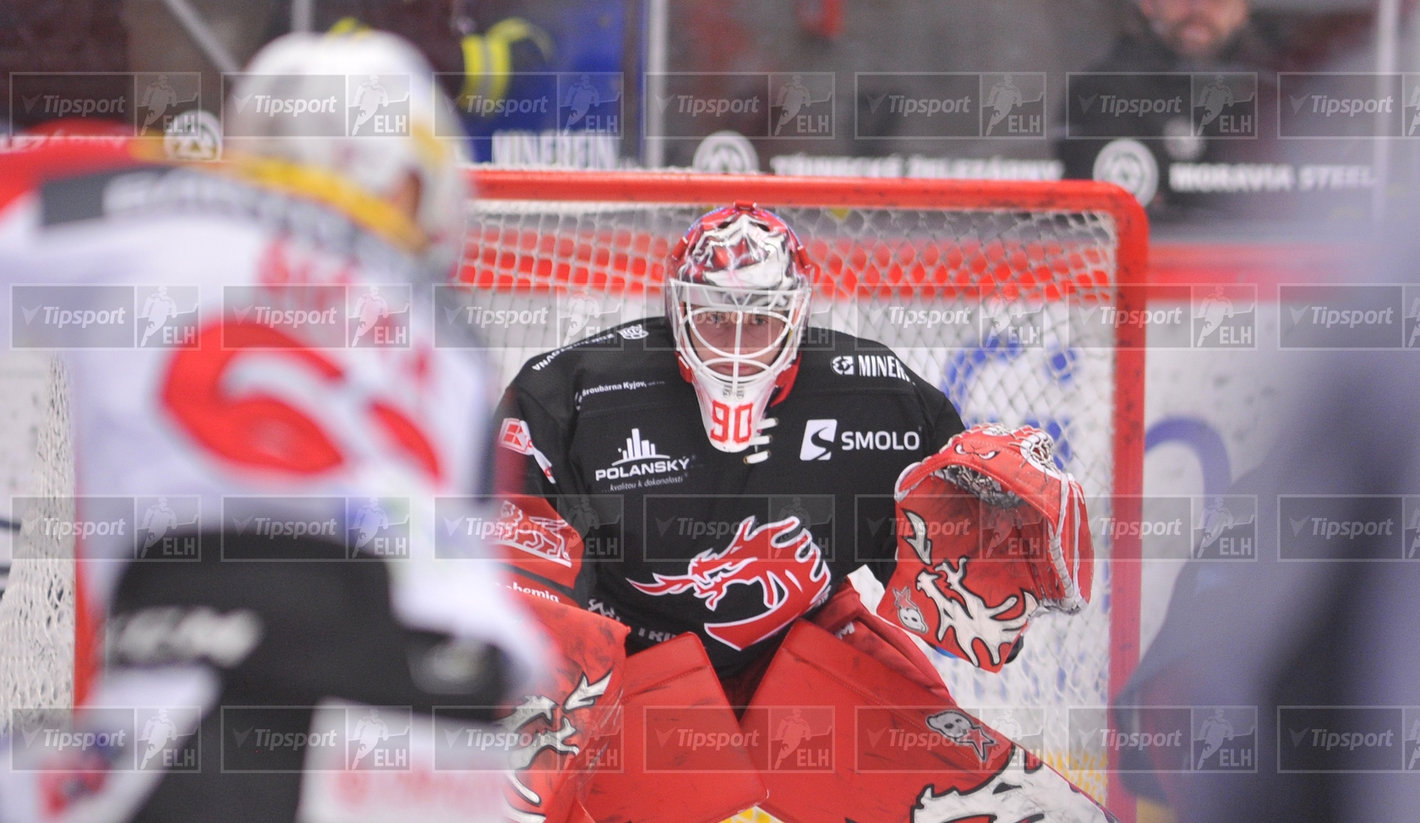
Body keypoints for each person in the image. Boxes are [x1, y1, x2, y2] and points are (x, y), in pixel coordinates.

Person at [0, 31, 545, 822]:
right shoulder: (451, 337)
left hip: (225, 692)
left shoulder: (136, 195)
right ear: (396, 180)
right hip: (451, 749)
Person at [495, 203, 1113, 821]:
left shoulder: (873, 395)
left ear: (797, 315)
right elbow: (526, 593)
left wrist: (991, 543)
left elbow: (939, 563)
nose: (736, 346)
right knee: (511, 791)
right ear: (677, 313)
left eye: (759, 320)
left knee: (1017, 809)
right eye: (715, 317)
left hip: (801, 658)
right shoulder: (579, 395)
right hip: (635, 675)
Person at [1056, 0, 1286, 222]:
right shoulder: (1103, 91)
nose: (1198, 8)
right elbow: (1100, 223)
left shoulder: (1272, 95)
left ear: (1241, 10)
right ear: (1147, 3)